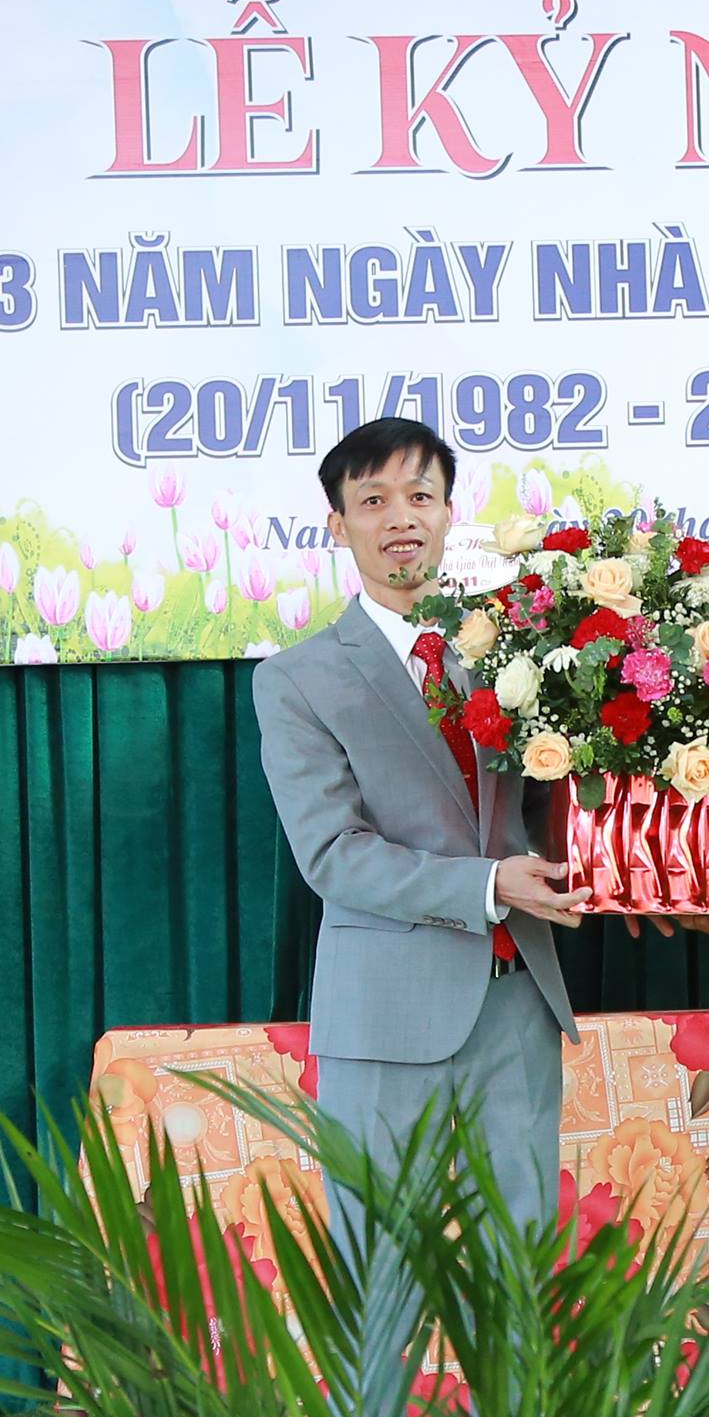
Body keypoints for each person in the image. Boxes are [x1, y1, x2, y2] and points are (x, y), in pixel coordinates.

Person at [253, 416, 583, 1235]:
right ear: (338, 525)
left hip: (517, 1001)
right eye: (374, 500)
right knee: (382, 1274)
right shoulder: (297, 679)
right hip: (384, 1014)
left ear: (447, 513)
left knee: (520, 1269)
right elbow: (334, 855)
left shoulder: (512, 654)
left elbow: (547, 809)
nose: (401, 517)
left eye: (420, 496)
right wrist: (490, 885)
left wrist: (614, 864)